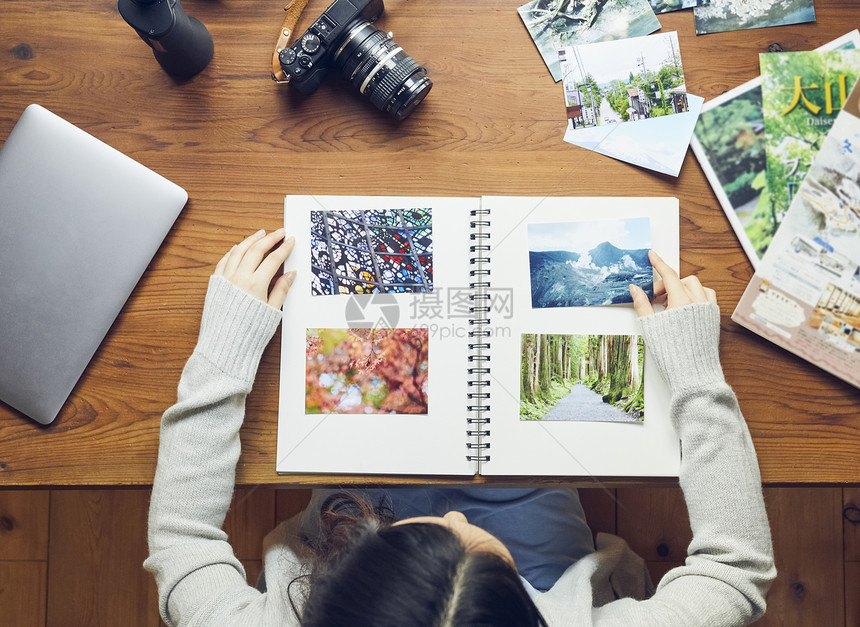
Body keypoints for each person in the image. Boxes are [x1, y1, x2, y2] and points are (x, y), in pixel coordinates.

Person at [144, 229, 776, 626]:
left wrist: (226, 349)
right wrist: (695, 374)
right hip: (544, 557)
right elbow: (736, 574)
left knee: (375, 382)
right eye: (478, 543)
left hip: (355, 508)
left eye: (443, 531)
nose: (458, 520)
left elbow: (182, 549)